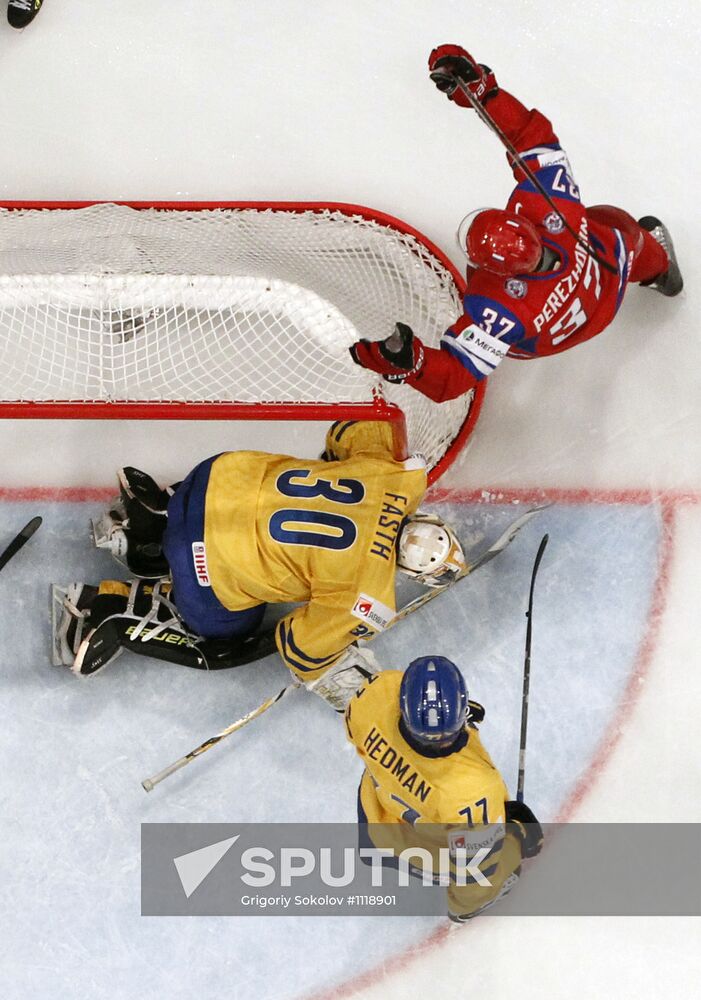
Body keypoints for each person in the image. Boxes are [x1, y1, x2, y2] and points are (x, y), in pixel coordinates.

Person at [52, 421, 466, 710]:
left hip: (215, 476)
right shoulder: (369, 593)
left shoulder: (399, 476)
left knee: (243, 500)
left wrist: (340, 468)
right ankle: (106, 608)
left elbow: (352, 428)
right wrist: (344, 667)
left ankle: (155, 518)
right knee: (225, 635)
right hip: (204, 558)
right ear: (413, 574)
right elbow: (300, 649)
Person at [350, 44, 683, 404]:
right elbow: (530, 136)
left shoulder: (498, 310)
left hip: (550, 336)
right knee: (619, 226)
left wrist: (412, 364)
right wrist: (484, 92)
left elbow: (453, 377)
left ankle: (656, 270)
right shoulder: (552, 202)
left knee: (493, 315)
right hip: (608, 278)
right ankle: (662, 272)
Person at [345, 655, 542, 920]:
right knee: (486, 872)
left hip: (374, 810)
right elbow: (472, 877)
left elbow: (358, 732)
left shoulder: (377, 691)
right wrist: (516, 839)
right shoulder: (472, 791)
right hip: (402, 843)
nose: (441, 743)